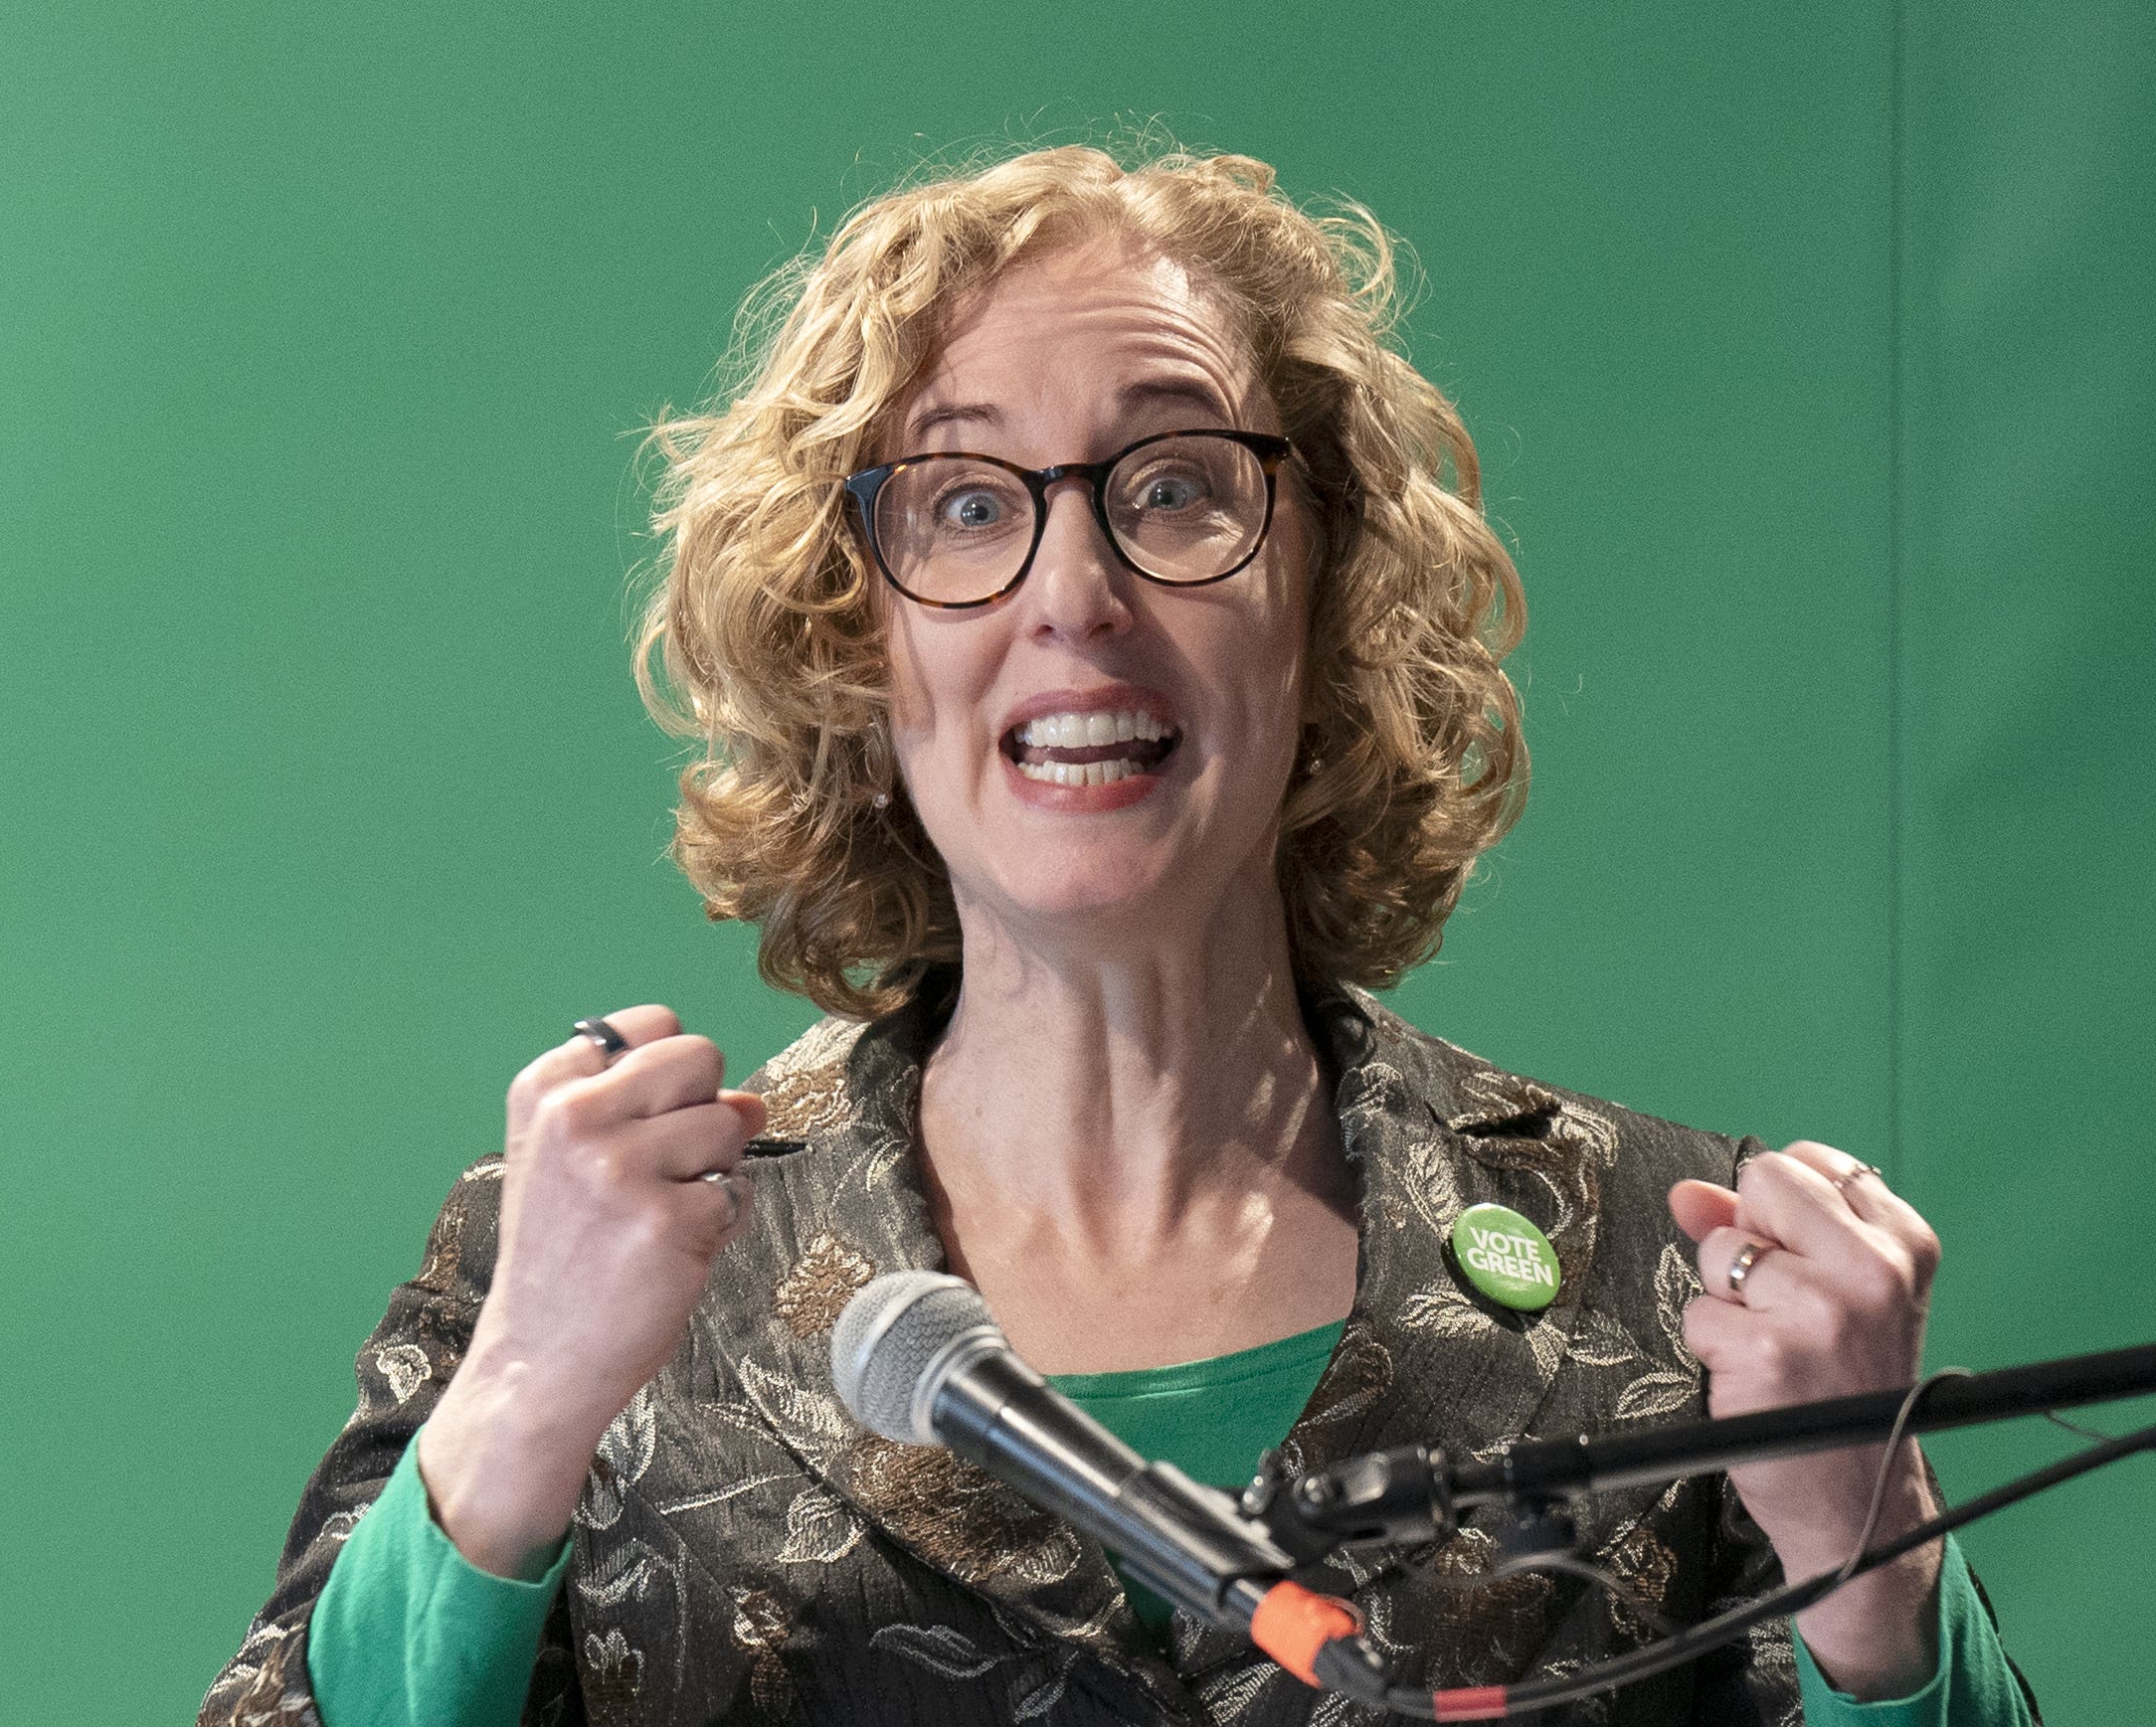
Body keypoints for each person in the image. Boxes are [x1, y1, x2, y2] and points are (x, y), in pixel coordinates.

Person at [202, 145, 2035, 1726]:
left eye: (1172, 488)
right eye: (968, 504)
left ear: (1325, 589)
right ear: (860, 646)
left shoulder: (1679, 1288)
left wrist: (1871, 1572)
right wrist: (513, 1411)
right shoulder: (583, 1277)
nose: (1074, 595)